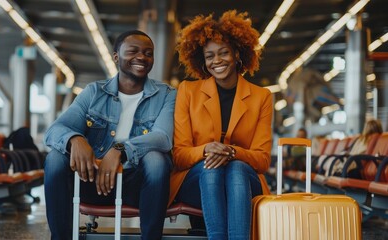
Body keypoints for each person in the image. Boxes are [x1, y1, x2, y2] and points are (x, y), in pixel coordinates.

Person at [43, 30, 176, 240]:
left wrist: (120, 150)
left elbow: (163, 137)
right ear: (116, 57)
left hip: (137, 184)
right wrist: (74, 139)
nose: (141, 57)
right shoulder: (94, 92)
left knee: (156, 159)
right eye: (133, 51)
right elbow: (55, 130)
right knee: (55, 158)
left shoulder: (167, 95)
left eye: (148, 53)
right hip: (92, 181)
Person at [170, 10, 272, 240]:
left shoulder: (261, 96)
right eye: (209, 56)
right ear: (203, 62)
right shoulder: (188, 91)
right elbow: (179, 155)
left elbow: (263, 160)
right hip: (198, 181)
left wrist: (231, 153)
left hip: (244, 180)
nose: (217, 61)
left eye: (223, 53)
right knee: (212, 168)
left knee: (235, 168)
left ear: (237, 54)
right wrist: (206, 150)